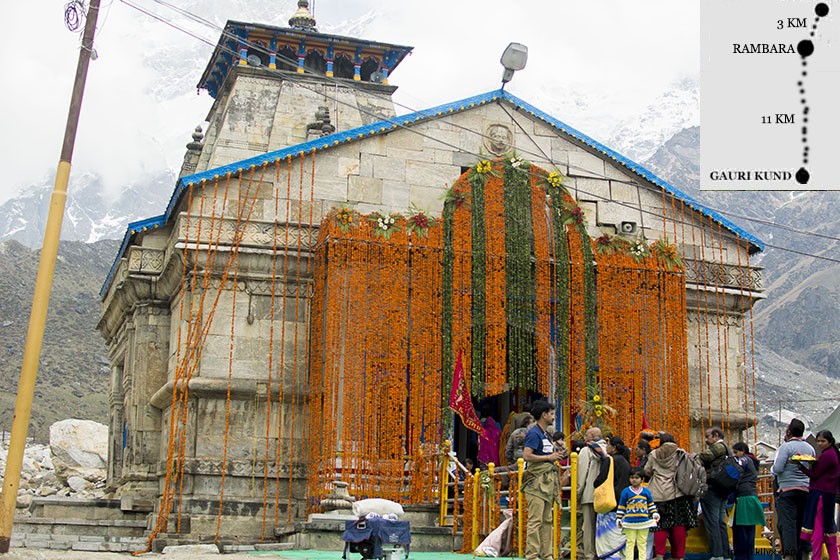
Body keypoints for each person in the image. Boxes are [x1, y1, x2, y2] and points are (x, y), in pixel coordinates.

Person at [522, 400, 564, 560]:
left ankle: (547, 555)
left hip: (548, 482)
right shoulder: (534, 433)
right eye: (551, 414)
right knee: (536, 520)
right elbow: (527, 455)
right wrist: (549, 457)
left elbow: (546, 456)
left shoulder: (546, 433)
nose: (553, 417)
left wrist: (557, 456)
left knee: (547, 520)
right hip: (536, 482)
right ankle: (532, 555)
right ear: (544, 415)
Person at [644, 432, 696, 560]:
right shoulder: (681, 454)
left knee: (660, 525)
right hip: (677, 494)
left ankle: (659, 555)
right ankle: (679, 556)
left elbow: (647, 471)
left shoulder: (654, 454)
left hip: (658, 494)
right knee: (679, 525)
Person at [772, 418, 815, 560]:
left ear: (789, 431)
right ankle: (804, 554)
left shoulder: (786, 447)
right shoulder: (810, 448)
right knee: (803, 524)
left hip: (787, 490)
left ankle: (790, 556)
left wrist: (773, 469)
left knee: (788, 524)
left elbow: (778, 468)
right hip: (806, 490)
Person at [798, 430, 840, 560]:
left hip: (819, 496)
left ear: (830, 442)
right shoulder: (832, 454)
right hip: (829, 495)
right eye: (818, 441)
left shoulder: (827, 456)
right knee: (829, 529)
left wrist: (801, 466)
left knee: (817, 529)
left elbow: (815, 475)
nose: (820, 444)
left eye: (823, 441)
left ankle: (816, 557)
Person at [593, 436, 633, 560]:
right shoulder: (626, 462)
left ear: (614, 447)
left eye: (608, 444)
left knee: (608, 541)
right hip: (624, 503)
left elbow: (600, 480)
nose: (607, 447)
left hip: (610, 503)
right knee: (621, 536)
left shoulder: (609, 460)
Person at [699, 427, 731, 560]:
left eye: (708, 437)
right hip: (724, 489)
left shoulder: (718, 447)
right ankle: (725, 553)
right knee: (720, 522)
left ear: (716, 435)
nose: (706, 440)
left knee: (713, 522)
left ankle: (717, 554)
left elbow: (702, 457)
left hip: (713, 488)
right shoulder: (728, 449)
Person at [577, 427, 608, 560]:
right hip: (606, 494)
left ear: (592, 435)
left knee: (588, 527)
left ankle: (590, 554)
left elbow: (582, 473)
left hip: (590, 493)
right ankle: (603, 552)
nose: (584, 436)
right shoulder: (608, 449)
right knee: (603, 526)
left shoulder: (587, 450)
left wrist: (578, 493)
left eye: (586, 434)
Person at [731, 442, 765, 560]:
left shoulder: (744, 460)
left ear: (743, 451)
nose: (735, 455)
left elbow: (733, 469)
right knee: (750, 531)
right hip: (751, 497)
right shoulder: (752, 461)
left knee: (741, 532)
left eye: (736, 452)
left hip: (743, 497)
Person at [617, 467, 660, 560]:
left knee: (642, 542)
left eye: (637, 478)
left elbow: (651, 505)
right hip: (629, 522)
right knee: (630, 542)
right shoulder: (626, 492)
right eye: (632, 477)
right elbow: (622, 506)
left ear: (642, 479)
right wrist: (619, 518)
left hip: (644, 522)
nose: (634, 480)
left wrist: (654, 514)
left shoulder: (646, 492)